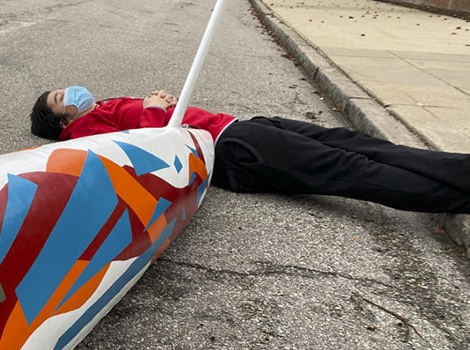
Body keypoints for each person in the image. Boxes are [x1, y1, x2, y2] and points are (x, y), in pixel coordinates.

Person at [30, 86, 470, 214]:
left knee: (354, 143)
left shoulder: (99, 108)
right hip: (233, 148)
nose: (71, 91)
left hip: (243, 129)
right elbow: (141, 152)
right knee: (353, 169)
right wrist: (150, 111)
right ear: (63, 120)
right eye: (60, 97)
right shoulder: (83, 132)